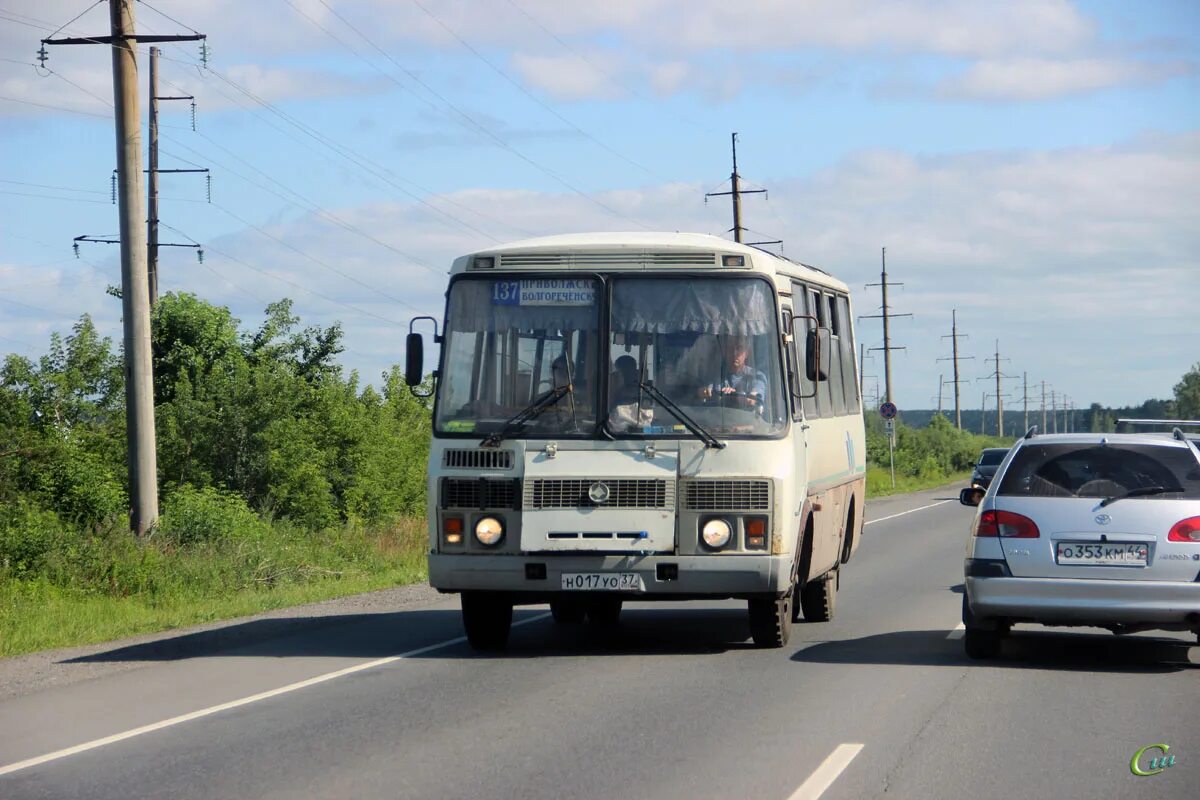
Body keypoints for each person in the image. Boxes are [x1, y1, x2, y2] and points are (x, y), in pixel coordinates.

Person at [699, 337, 767, 410]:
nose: (734, 353)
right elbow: (703, 393)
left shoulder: (757, 377)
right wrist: (703, 392)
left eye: (739, 348)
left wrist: (736, 396)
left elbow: (753, 399)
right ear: (725, 352)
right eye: (730, 348)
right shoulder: (715, 375)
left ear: (747, 353)